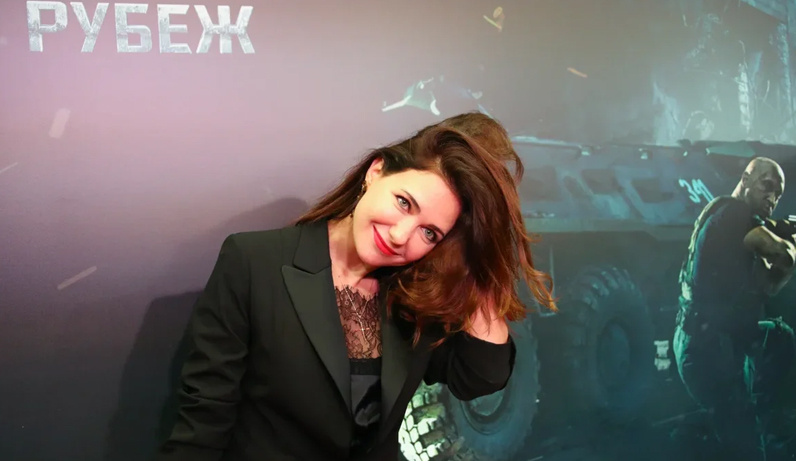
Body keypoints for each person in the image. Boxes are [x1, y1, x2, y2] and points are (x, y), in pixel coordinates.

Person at [157, 112, 556, 461]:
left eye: (429, 233)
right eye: (404, 203)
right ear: (375, 172)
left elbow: (480, 378)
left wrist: (476, 261)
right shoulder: (254, 261)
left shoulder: (415, 296)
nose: (400, 236)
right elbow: (204, 419)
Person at [672, 157, 796, 461]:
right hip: (708, 351)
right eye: (766, 186)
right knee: (746, 447)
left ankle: (754, 412)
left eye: (778, 195)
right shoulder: (735, 214)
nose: (772, 198)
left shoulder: (723, 214)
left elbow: (769, 285)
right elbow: (782, 254)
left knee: (780, 337)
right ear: (745, 180)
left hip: (705, 342)